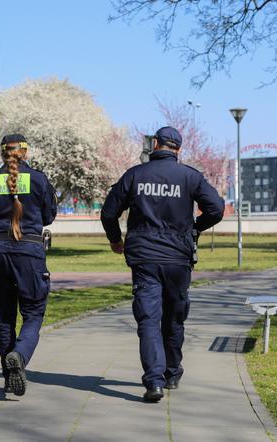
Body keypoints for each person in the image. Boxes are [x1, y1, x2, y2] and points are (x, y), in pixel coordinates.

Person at [100, 126, 224, 403]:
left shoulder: (135, 175)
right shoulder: (190, 177)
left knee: (147, 318)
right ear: (178, 148)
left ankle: (153, 381)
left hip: (143, 257)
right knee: (174, 316)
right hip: (178, 258)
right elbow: (216, 208)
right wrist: (194, 228)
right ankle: (171, 372)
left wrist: (115, 240)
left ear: (155, 144)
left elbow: (109, 212)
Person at [0, 134, 57, 396]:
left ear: (3, 153)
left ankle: (10, 377)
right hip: (29, 252)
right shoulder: (39, 179)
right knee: (33, 313)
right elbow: (49, 215)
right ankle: (19, 355)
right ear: (25, 153)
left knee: (5, 317)